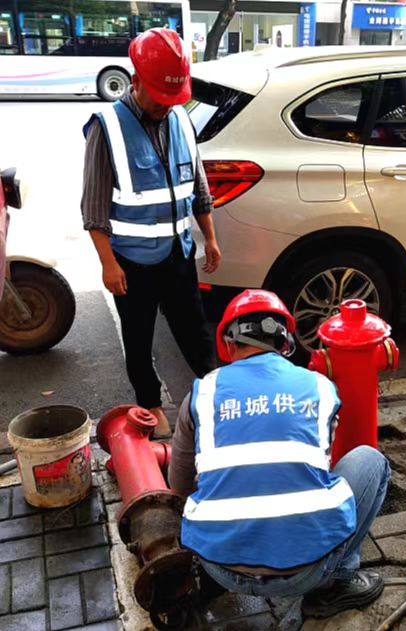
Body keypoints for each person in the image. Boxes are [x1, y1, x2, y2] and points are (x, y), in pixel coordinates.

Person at [168, 289, 390, 618]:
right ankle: (336, 583)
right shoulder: (318, 386)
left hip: (219, 567)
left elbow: (178, 483)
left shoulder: (202, 392)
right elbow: (318, 467)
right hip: (307, 572)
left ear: (229, 344)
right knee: (372, 462)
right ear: (285, 343)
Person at [81, 28, 220, 438]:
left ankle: (214, 393)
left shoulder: (180, 118)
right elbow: (93, 209)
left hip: (178, 254)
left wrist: (209, 237)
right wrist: (108, 264)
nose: (164, 107)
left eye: (171, 99)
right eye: (158, 97)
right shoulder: (106, 127)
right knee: (139, 340)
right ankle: (150, 405)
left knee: (195, 330)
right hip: (132, 263)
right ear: (135, 79)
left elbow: (198, 186)